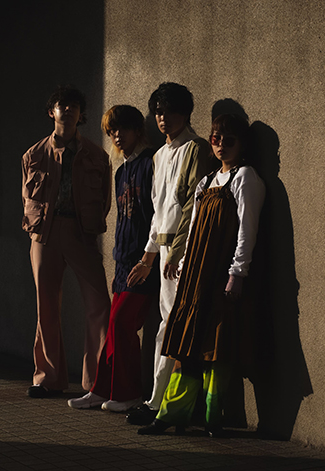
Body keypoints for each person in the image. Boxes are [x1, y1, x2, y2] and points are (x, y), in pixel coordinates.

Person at [137, 113, 266, 436]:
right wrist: (183, 264)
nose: (221, 145)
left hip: (222, 273)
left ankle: (212, 418)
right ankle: (171, 414)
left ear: (242, 144)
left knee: (215, 346)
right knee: (187, 344)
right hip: (195, 275)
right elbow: (194, 227)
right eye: (216, 139)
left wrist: (237, 273)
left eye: (229, 140)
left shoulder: (245, 178)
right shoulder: (206, 182)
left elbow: (247, 232)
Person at [125, 83, 216, 425]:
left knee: (175, 326)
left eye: (169, 111)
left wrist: (178, 252)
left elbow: (193, 205)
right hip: (165, 251)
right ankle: (158, 402)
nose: (163, 118)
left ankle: (163, 405)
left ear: (186, 113)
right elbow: (157, 211)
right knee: (167, 324)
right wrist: (148, 257)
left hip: (186, 250)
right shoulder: (159, 155)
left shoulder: (196, 148)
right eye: (158, 112)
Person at [67, 105, 159, 412]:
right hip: (123, 261)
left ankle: (128, 393)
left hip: (144, 262)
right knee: (115, 327)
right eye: (112, 131)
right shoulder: (121, 171)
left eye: (123, 129)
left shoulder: (151, 163)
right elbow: (123, 221)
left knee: (122, 323)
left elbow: (158, 216)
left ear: (137, 130)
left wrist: (147, 260)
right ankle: (103, 389)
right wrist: (119, 261)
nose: (117, 135)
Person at [21, 85, 112, 397]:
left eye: (74, 106)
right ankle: (47, 379)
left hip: (81, 233)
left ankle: (97, 382)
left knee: (99, 304)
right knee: (46, 305)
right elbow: (26, 198)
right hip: (44, 236)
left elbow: (104, 201)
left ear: (81, 114)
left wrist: (88, 227)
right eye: (63, 105)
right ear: (52, 112)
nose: (68, 110)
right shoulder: (33, 155)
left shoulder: (97, 156)